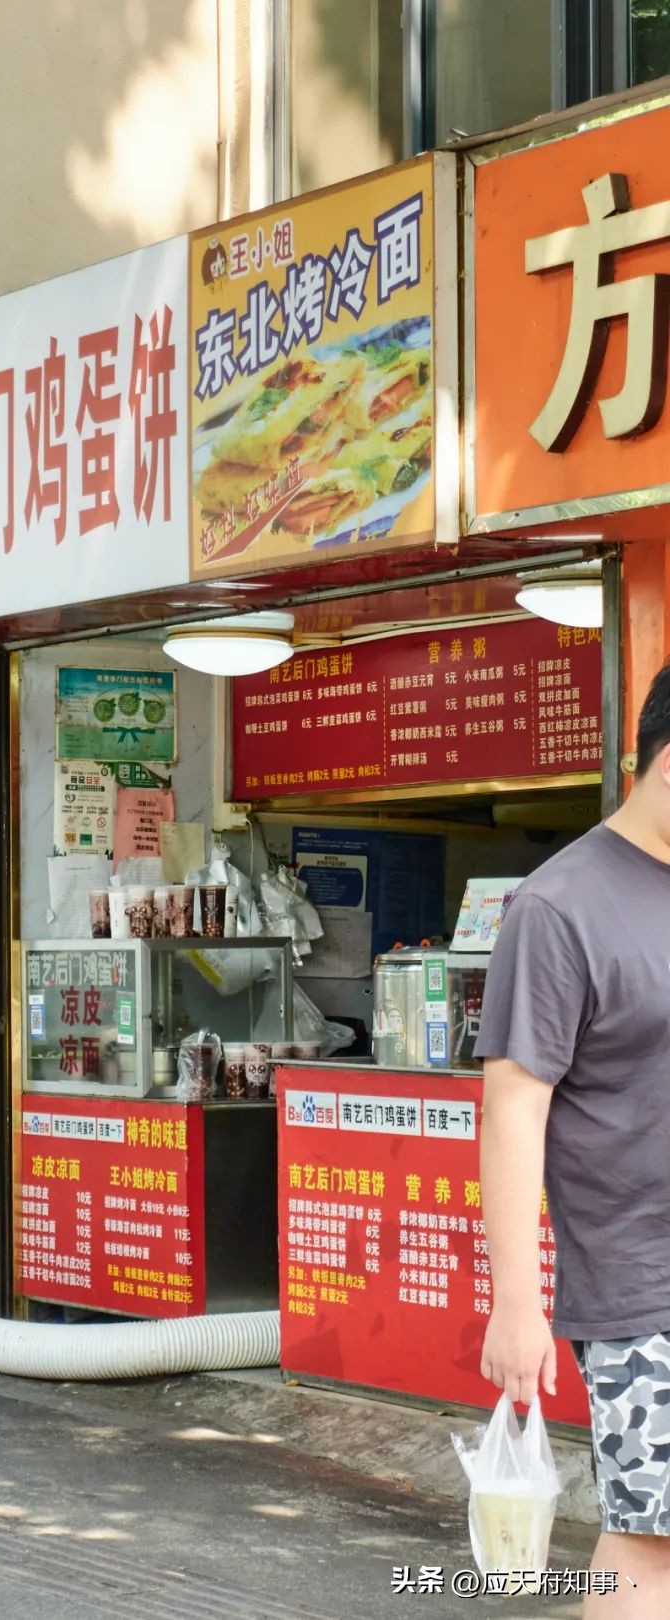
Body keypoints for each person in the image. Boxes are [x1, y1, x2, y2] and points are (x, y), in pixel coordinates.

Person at [476, 660, 670, 1617]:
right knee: (650, 1541)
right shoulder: (559, 909)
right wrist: (517, 1303)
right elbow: (513, 1112)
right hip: (645, 1290)